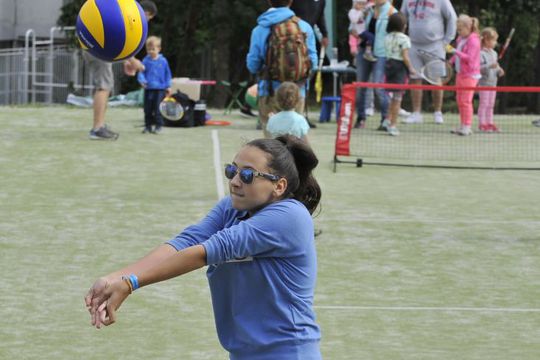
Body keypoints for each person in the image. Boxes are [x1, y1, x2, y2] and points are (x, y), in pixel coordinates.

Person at [84, 135, 323, 359]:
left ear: (279, 186)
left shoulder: (290, 216)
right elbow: (186, 242)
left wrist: (130, 283)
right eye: (232, 171)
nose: (235, 181)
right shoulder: (232, 207)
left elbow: (207, 251)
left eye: (248, 175)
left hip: (289, 352)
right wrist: (114, 278)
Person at [86, 0, 157, 140]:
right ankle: (97, 129)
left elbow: (117, 44)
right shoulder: (127, 17)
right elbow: (115, 38)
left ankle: (100, 125)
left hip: (95, 47)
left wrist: (126, 60)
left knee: (105, 85)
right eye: (148, 18)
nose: (147, 21)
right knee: (104, 86)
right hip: (97, 48)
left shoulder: (122, 12)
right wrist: (133, 61)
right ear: (145, 13)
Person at [246, 0, 318, 138]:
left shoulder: (260, 29)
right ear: (291, 2)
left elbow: (253, 66)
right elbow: (312, 62)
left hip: (269, 90)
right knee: (295, 141)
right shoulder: (304, 26)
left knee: (273, 144)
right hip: (297, 91)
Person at [401, 0, 457, 125]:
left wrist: (446, 41)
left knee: (435, 79)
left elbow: (452, 18)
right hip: (413, 44)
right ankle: (416, 113)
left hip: (435, 44)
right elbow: (401, 18)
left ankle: (438, 112)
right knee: (415, 78)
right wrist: (402, 39)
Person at [354, 0, 397, 130]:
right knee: (361, 86)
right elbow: (354, 27)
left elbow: (396, 35)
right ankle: (361, 118)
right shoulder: (369, 10)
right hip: (364, 51)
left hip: (382, 54)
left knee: (379, 87)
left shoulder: (392, 12)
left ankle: (385, 119)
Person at [384, 12, 416, 136]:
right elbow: (405, 57)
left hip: (388, 67)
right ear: (403, 26)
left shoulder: (387, 37)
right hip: (399, 69)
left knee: (393, 98)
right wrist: (411, 69)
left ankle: (387, 120)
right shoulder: (404, 39)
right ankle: (393, 126)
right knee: (397, 99)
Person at [448, 14, 481, 136]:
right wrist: (450, 61)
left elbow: (470, 59)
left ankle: (467, 126)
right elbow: (458, 54)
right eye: (458, 29)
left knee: (466, 101)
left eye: (460, 29)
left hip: (470, 75)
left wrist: (454, 51)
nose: (459, 32)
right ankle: (462, 125)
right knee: (460, 100)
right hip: (460, 73)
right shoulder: (461, 39)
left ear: (468, 27)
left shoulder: (474, 40)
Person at [137, 36, 172, 134]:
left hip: (160, 90)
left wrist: (168, 86)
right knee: (147, 109)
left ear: (159, 49)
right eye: (148, 49)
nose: (151, 51)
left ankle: (158, 126)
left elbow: (167, 74)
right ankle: (148, 127)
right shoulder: (145, 60)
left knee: (158, 109)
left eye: (153, 49)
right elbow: (141, 72)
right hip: (148, 89)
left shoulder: (163, 61)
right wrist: (142, 80)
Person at [478, 27, 505, 133]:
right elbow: (479, 69)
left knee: (491, 104)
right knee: (484, 103)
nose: (495, 42)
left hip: (493, 83)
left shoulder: (494, 53)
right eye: (494, 40)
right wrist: (490, 65)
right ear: (486, 40)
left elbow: (495, 66)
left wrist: (499, 70)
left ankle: (489, 122)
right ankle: (482, 123)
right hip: (484, 83)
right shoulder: (480, 53)